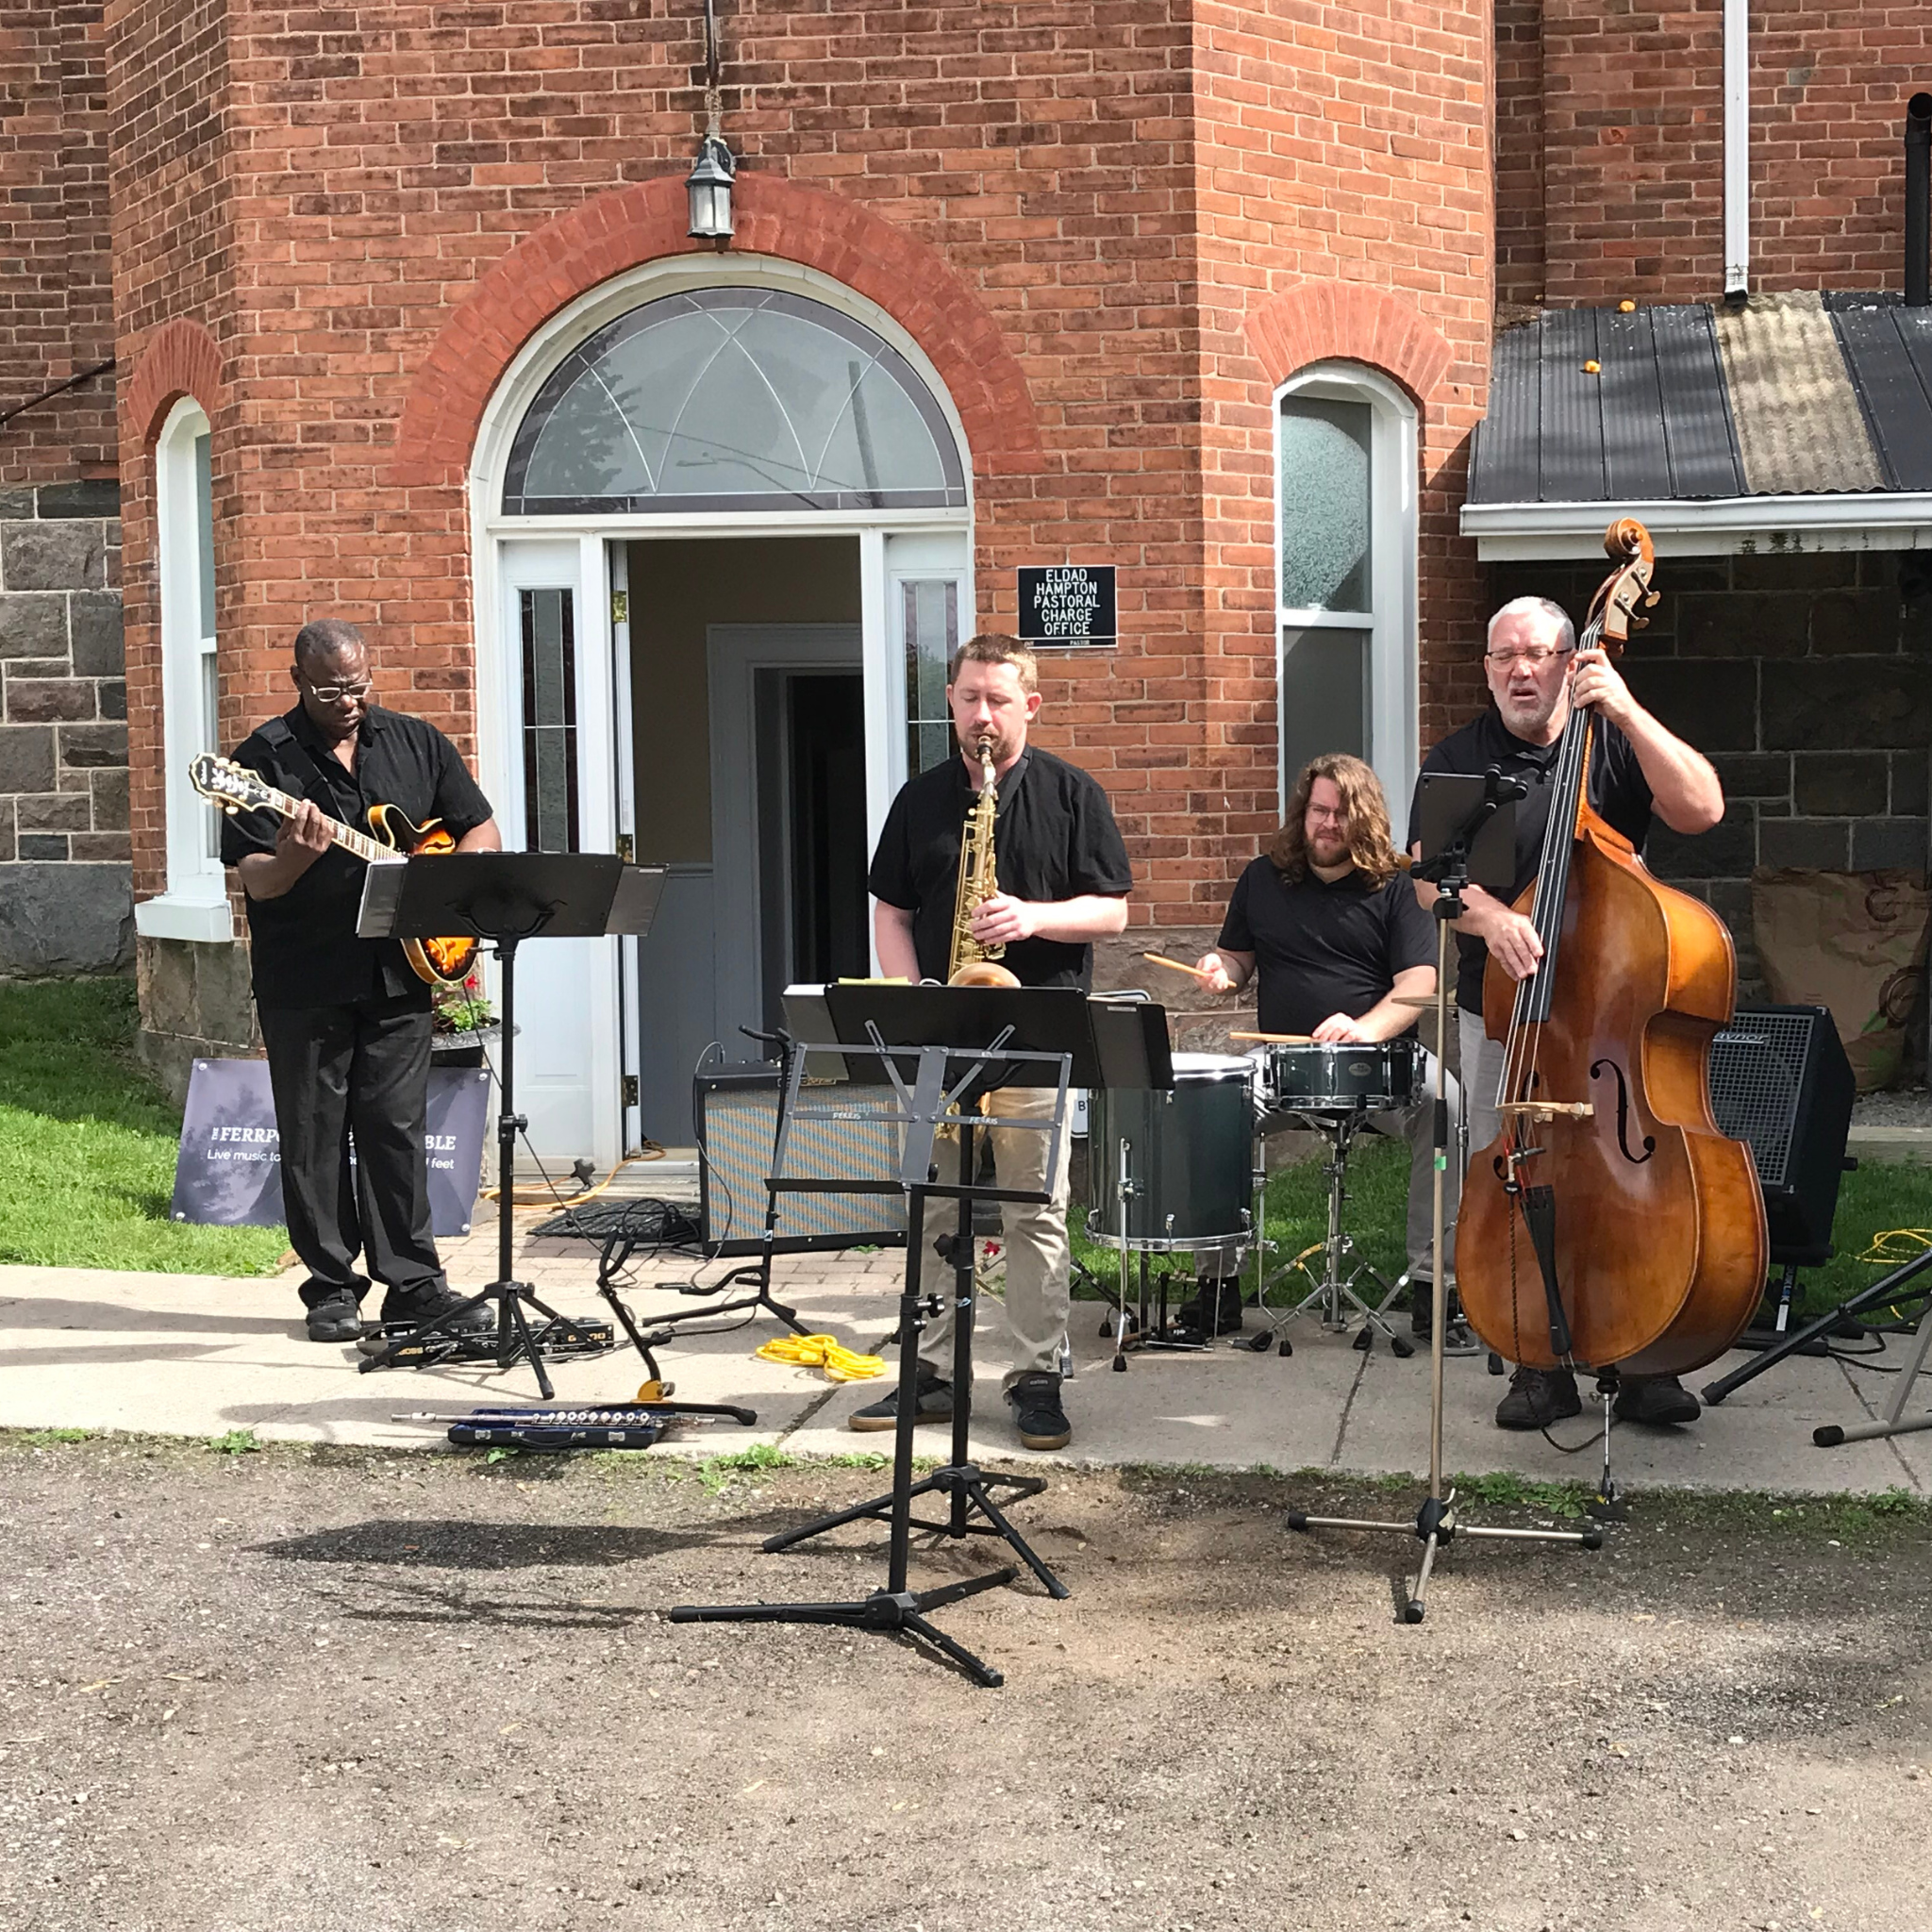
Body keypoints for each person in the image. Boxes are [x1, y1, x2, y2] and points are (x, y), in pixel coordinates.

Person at [1408, 594, 1727, 1430]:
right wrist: (1491, 918)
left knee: (1627, 1183)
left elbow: (1702, 809)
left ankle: (1644, 1353)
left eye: (1539, 655)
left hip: (1614, 1014)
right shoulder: (1460, 759)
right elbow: (1429, 878)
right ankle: (1536, 1362)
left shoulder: (1613, 742)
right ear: (1486, 669)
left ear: (1569, 661)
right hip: (1508, 1015)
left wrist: (1626, 708)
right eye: (1504, 657)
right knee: (1515, 1180)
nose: (1521, 671)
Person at [850, 633, 1133, 1451]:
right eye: (969, 698)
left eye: (998, 700)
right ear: (950, 700)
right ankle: (932, 1372)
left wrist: (1033, 918)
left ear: (1029, 706)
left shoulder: (1073, 793)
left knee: (1033, 1211)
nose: (982, 715)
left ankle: (1037, 1376)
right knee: (933, 1207)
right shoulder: (920, 799)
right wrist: (916, 996)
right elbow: (892, 913)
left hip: (1036, 1035)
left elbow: (1113, 911)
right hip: (943, 1033)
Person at [221, 619, 503, 1343]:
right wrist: (297, 854)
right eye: (329, 691)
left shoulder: (416, 742)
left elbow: (481, 829)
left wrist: (447, 881)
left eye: (357, 686)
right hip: (304, 976)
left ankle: (415, 1287)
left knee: (397, 1131)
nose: (348, 701)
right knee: (313, 1135)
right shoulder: (259, 763)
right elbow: (258, 879)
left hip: (401, 972)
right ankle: (331, 1290)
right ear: (297, 681)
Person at [1193, 753, 1459, 1338]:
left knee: (1447, 1107)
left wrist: (1365, 1028)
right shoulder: (1262, 878)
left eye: (1341, 813)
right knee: (1215, 1106)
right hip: (1283, 1062)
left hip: (1378, 1062)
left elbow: (1420, 983)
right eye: (1318, 810)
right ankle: (1216, 1288)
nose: (1328, 824)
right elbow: (1237, 959)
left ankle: (1435, 1288)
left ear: (1365, 818)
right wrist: (1221, 970)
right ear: (1303, 812)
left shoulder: (1398, 885)